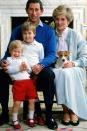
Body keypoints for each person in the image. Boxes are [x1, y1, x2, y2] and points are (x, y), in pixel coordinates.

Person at [0, 0, 58, 129]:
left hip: (38, 67)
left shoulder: (49, 31)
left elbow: (52, 54)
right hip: (19, 69)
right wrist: (3, 61)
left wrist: (40, 65)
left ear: (41, 11)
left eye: (37, 9)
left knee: (49, 75)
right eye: (31, 9)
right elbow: (9, 51)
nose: (34, 13)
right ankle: (4, 113)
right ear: (27, 10)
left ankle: (48, 115)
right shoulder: (17, 30)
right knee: (1, 75)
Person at [52, 4, 87, 126]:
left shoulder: (76, 35)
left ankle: (72, 110)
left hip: (75, 68)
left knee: (66, 73)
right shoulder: (51, 35)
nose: (59, 22)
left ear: (68, 20)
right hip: (57, 68)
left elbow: (85, 57)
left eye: (63, 19)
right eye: (57, 19)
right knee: (59, 73)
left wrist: (73, 63)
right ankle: (66, 110)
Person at [6, 40, 38, 129]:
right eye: (14, 51)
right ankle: (14, 119)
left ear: (21, 52)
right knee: (17, 102)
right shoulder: (9, 60)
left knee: (32, 100)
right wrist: (19, 68)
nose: (16, 53)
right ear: (10, 51)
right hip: (18, 83)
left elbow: (29, 71)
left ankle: (30, 118)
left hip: (28, 82)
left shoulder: (23, 59)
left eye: (18, 52)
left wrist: (26, 67)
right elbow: (8, 70)